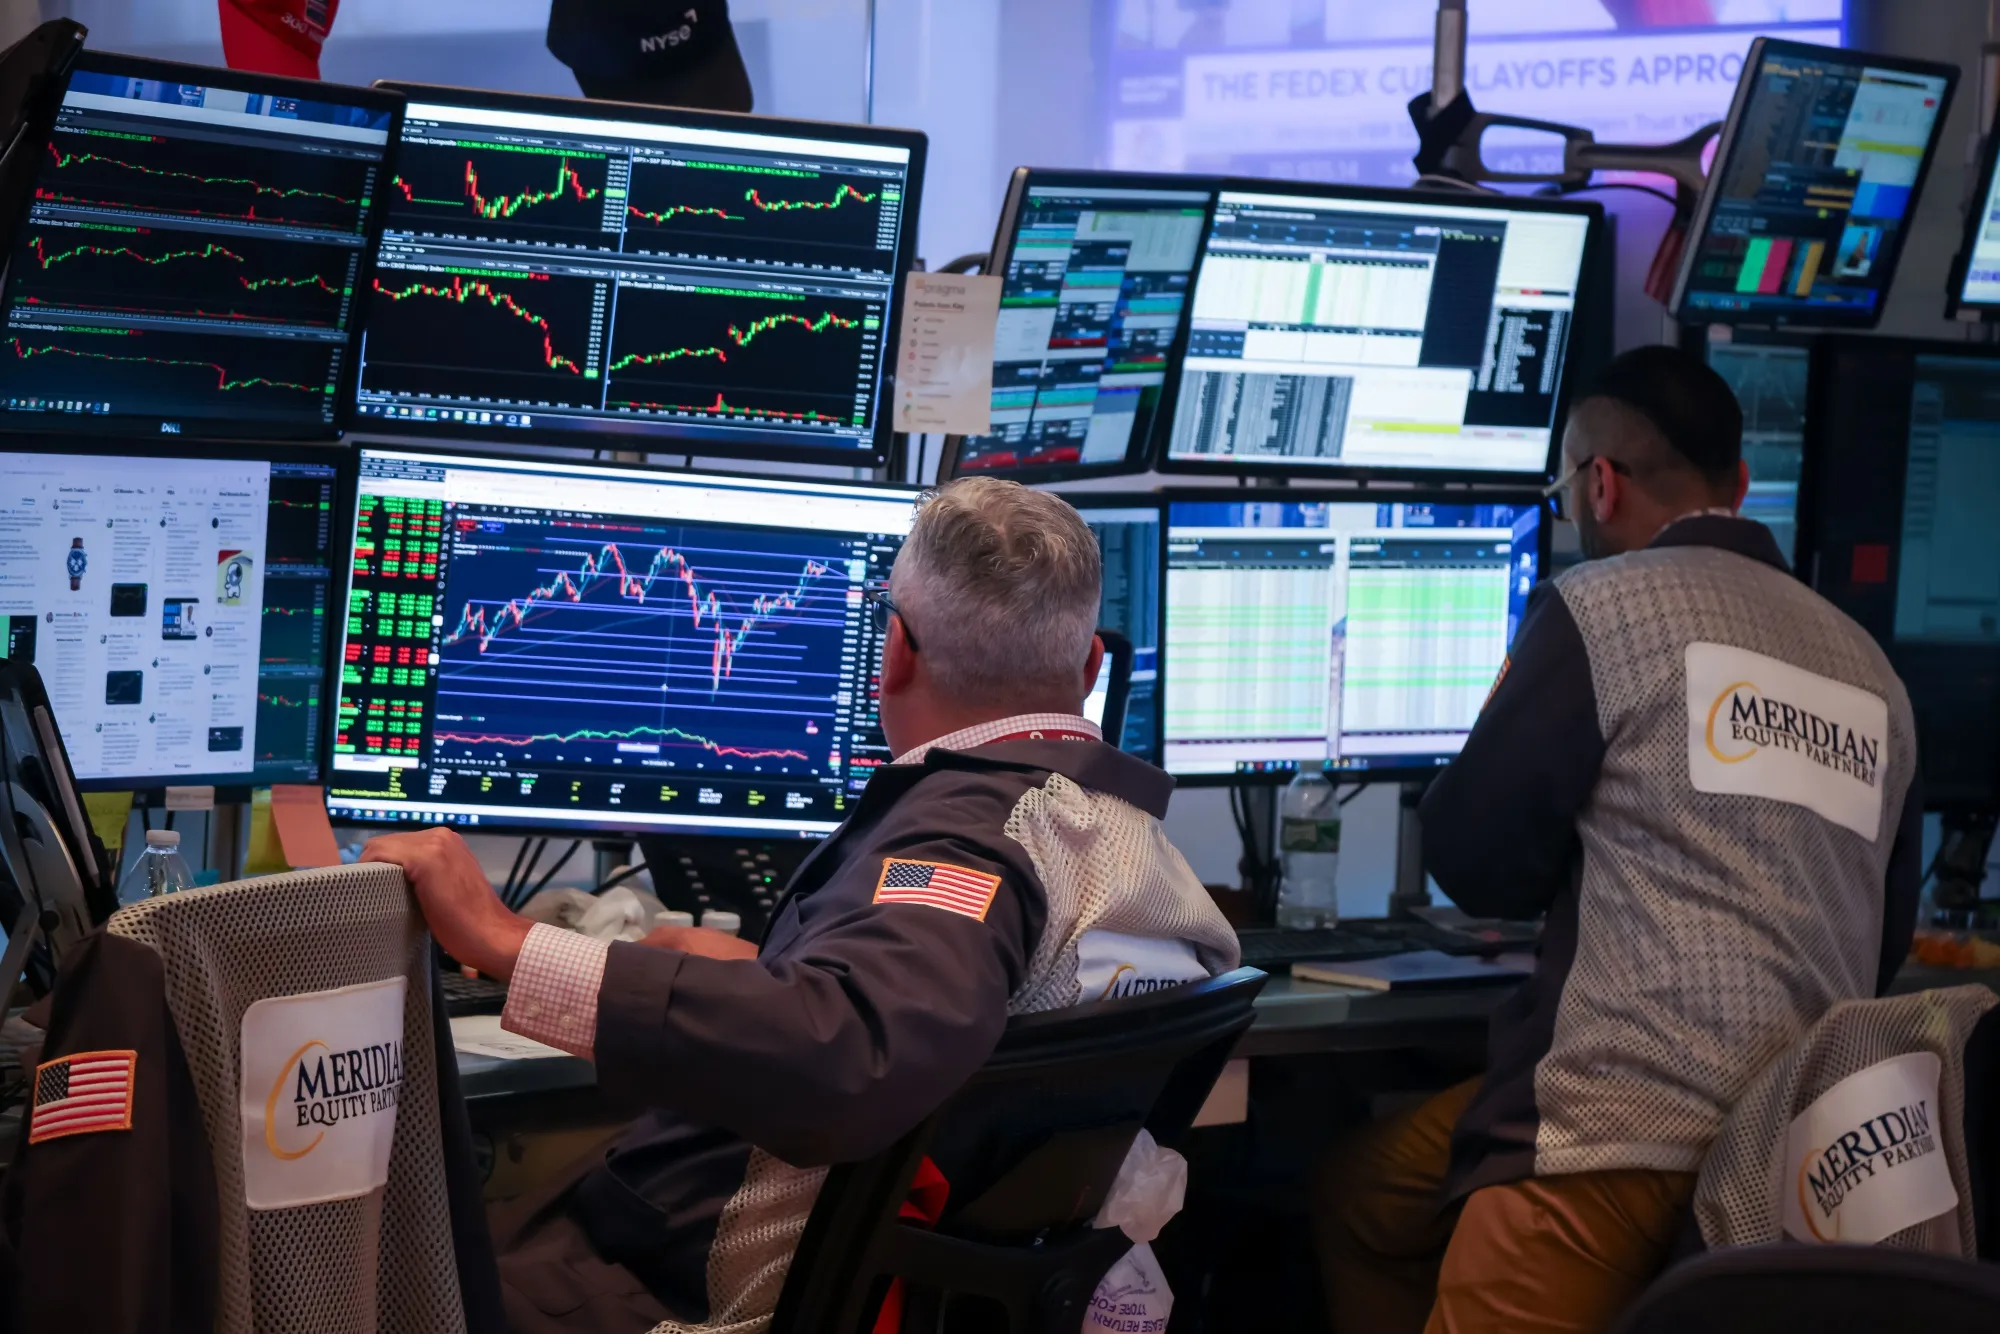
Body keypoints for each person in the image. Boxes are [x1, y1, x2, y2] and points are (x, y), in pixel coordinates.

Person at [365, 477, 1240, 1334]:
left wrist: (506, 940)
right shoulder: (1134, 850)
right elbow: (945, 994)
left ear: (894, 650)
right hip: (921, 1290)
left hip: (696, 1290)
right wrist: (773, 978)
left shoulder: (962, 842)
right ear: (1090, 667)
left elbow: (851, 1052)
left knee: (358, 1268)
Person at [1311, 345, 1920, 1334]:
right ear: (1739, 483)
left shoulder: (1600, 607)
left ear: (1596, 483)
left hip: (1608, 1132)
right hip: (1795, 1152)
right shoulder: (1868, 670)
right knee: (1367, 1190)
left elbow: (1474, 857)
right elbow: (1883, 934)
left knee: (1376, 1190)